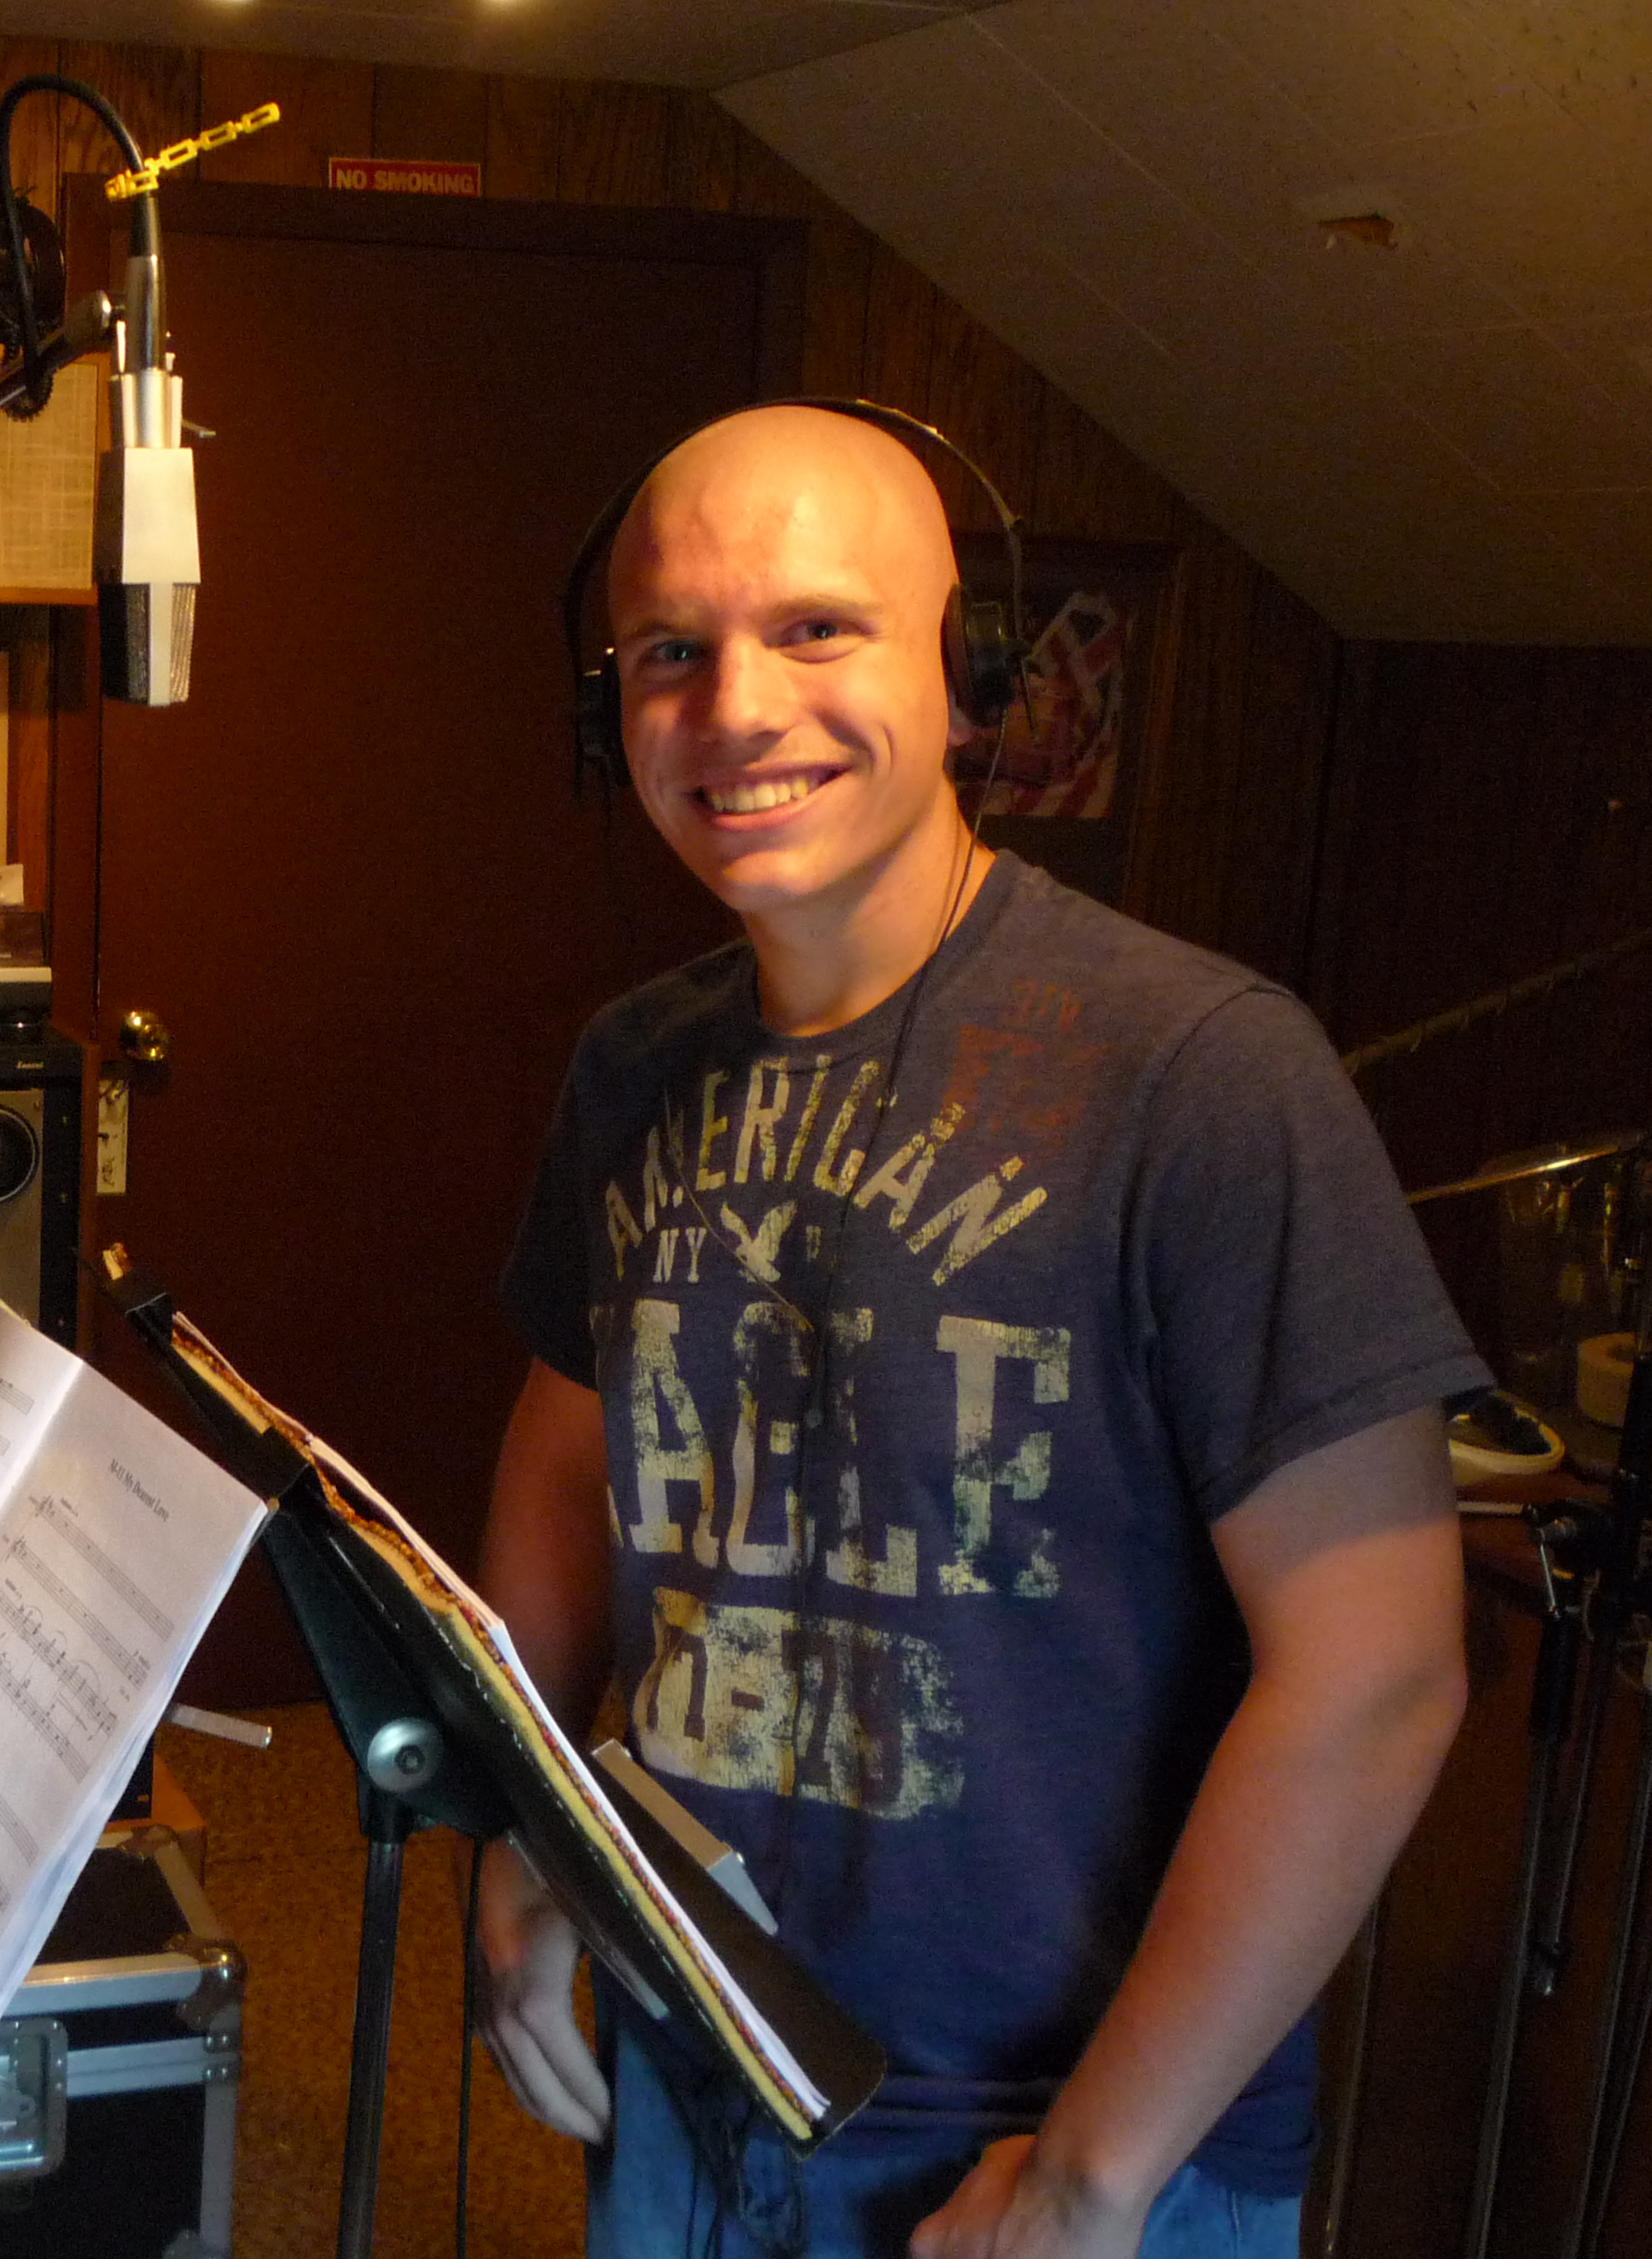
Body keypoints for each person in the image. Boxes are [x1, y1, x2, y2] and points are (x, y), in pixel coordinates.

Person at [475, 403, 1479, 2259]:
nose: (737, 709)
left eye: (817, 629)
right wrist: (536, 1844)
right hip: (701, 2068)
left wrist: (1098, 2170)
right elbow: (565, 1452)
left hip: (1056, 2147)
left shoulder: (1202, 1077)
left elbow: (1381, 1671)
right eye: (670, 655)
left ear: (967, 677)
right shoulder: (638, 1064)